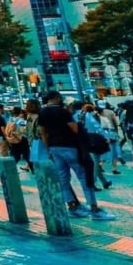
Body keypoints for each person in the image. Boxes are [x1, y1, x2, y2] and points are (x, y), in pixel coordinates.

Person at [37, 91, 116, 221]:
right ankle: (94, 209)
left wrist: (49, 148)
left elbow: (42, 132)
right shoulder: (62, 111)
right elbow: (74, 129)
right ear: (56, 98)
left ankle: (72, 207)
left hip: (54, 147)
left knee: (63, 179)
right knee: (84, 177)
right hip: (69, 146)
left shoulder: (43, 112)